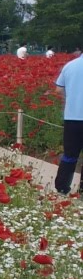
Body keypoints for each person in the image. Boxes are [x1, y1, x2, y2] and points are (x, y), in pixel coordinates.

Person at [53, 53, 83, 194]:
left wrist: (72, 97)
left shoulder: (70, 66)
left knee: (70, 154)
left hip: (72, 117)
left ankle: (62, 187)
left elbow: (58, 89)